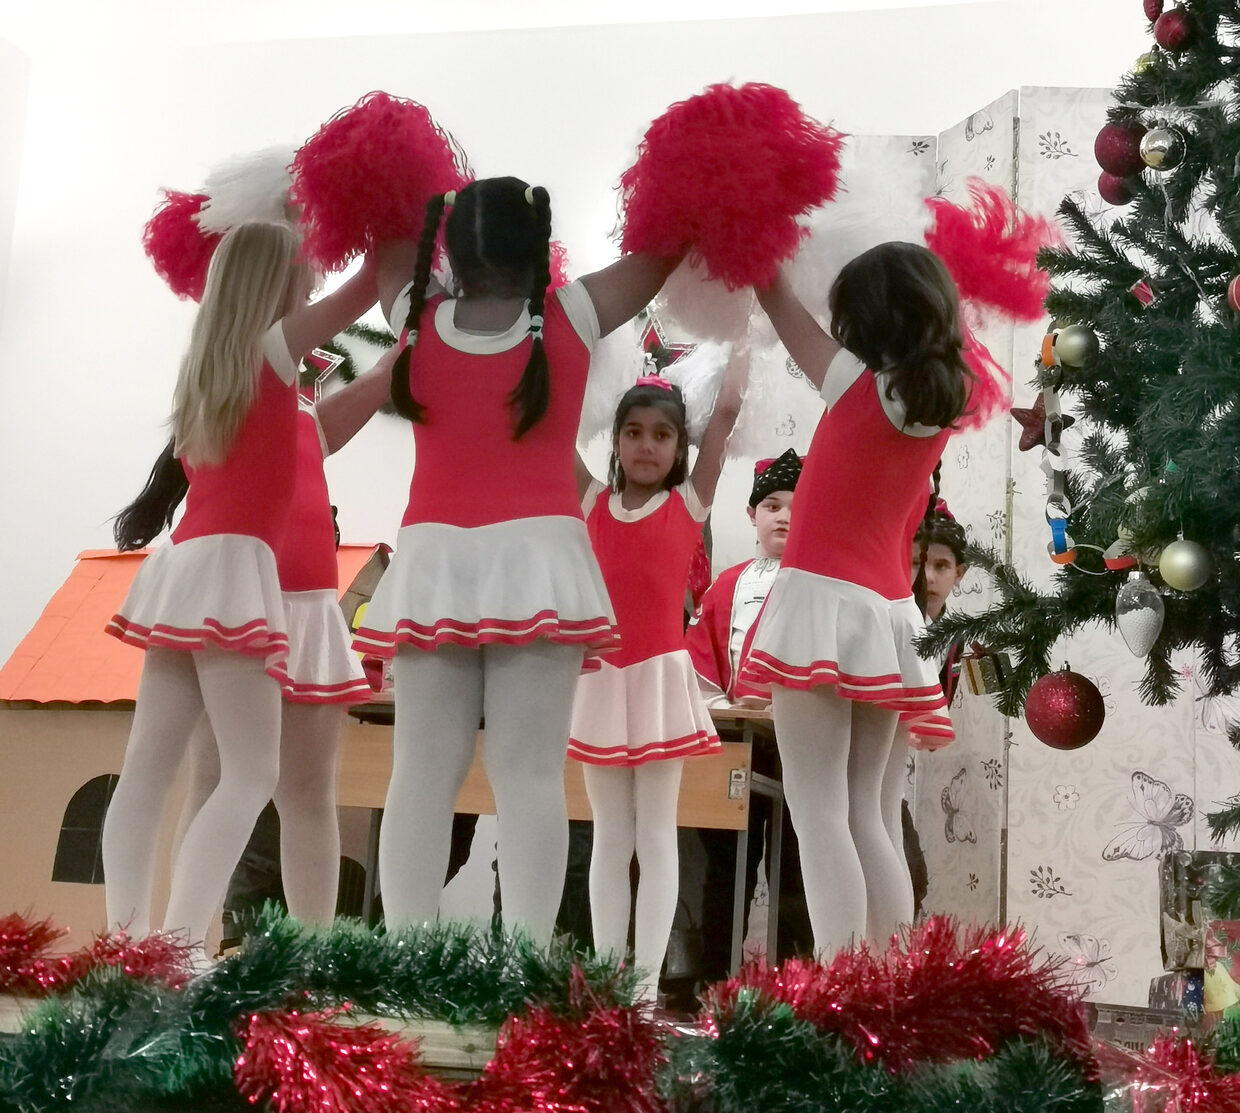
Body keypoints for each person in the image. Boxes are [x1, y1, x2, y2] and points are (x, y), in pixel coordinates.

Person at [352, 177, 682, 944]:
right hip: (539, 560)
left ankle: (406, 964)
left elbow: (385, 238)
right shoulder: (571, 313)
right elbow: (662, 255)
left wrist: (391, 177)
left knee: (419, 773)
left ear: (452, 248)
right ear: (537, 247)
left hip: (435, 558)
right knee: (530, 775)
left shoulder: (415, 316)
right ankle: (525, 965)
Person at [102, 222, 377, 954]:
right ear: (274, 282)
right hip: (229, 573)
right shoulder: (272, 351)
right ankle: (178, 946)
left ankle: (128, 941)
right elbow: (362, 290)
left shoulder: (212, 367)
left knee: (148, 770)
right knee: (252, 774)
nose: (312, 281)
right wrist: (392, 237)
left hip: (185, 568)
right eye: (303, 270)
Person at [740, 241, 969, 956]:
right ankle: (887, 982)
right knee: (871, 812)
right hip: (890, 615)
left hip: (822, 604)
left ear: (865, 318)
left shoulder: (856, 385)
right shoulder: (938, 406)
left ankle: (841, 983)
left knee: (818, 811)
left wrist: (742, 227)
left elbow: (777, 299)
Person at [178, 351, 399, 932]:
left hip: (309, 609)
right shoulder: (223, 399)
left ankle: (312, 955)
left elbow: (384, 376)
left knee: (307, 794)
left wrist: (415, 318)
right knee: (215, 780)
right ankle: (182, 943)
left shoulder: (308, 421)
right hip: (237, 608)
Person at [568, 351, 744, 1002]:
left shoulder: (690, 504)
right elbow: (551, 431)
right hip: (601, 680)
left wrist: (744, 334)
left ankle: (643, 991)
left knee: (656, 834)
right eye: (634, 432)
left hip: (662, 682)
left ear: (679, 447)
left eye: (662, 434)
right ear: (615, 440)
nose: (647, 445)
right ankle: (609, 982)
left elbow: (724, 418)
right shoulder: (591, 501)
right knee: (609, 836)